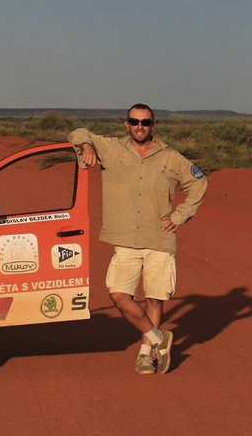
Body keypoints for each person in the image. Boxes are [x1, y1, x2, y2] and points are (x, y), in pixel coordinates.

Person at [69, 104, 207, 375]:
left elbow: (198, 183)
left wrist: (180, 216)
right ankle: (159, 338)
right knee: (119, 295)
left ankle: (146, 354)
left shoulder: (170, 157)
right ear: (126, 124)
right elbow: (76, 131)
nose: (139, 127)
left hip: (159, 238)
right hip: (125, 239)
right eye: (134, 122)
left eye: (145, 122)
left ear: (154, 125)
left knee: (154, 298)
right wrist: (86, 145)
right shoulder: (110, 148)